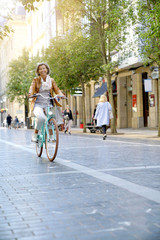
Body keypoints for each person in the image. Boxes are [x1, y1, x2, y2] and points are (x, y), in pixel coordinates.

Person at [29, 62, 65, 142]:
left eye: (44, 68)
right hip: (38, 104)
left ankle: (51, 135)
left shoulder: (51, 80)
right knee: (41, 118)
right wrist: (30, 93)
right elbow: (31, 88)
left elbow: (57, 90)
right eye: (40, 69)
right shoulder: (36, 80)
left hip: (48, 103)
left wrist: (61, 94)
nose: (42, 70)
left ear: (47, 70)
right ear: (38, 71)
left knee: (50, 118)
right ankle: (35, 134)